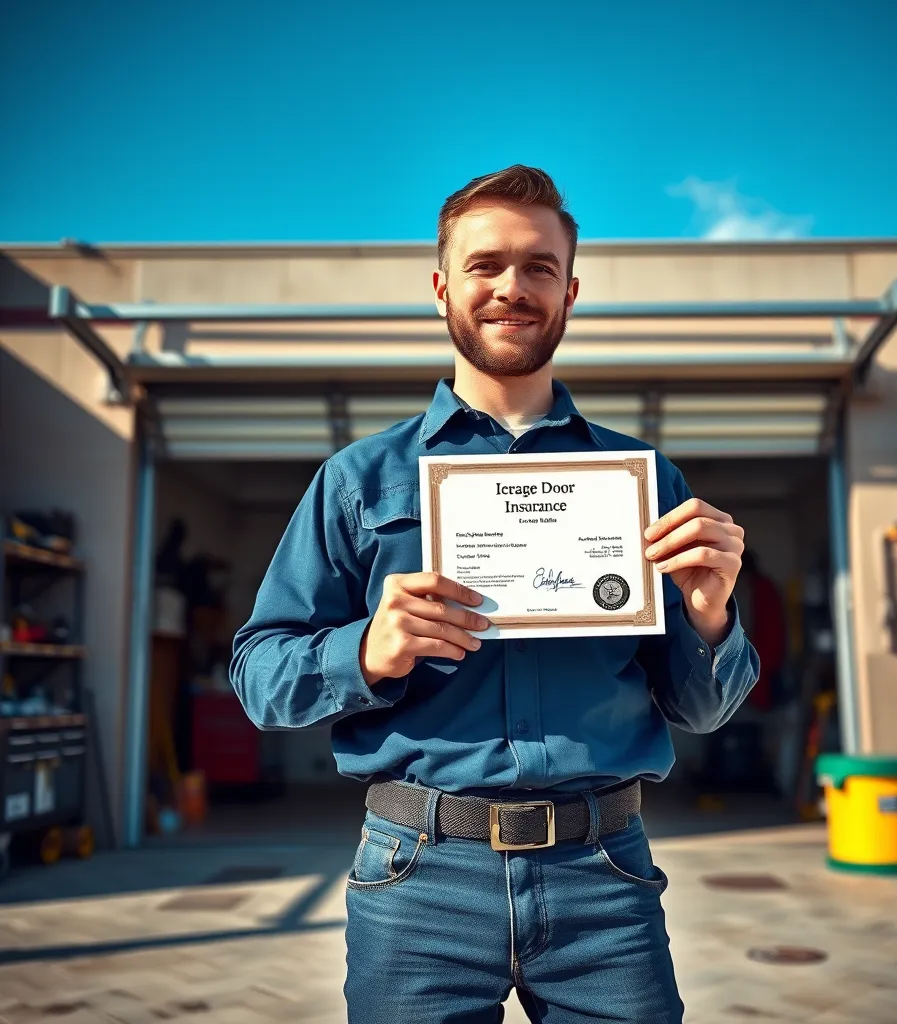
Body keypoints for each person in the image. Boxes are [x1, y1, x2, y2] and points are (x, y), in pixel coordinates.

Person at [230, 165, 760, 1023]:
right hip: (417, 880)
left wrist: (710, 614)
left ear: (570, 291)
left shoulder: (643, 480)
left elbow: (699, 709)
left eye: (539, 267)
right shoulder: (357, 481)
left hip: (606, 881)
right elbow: (259, 676)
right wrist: (366, 649)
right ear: (443, 287)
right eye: (485, 265)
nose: (512, 287)